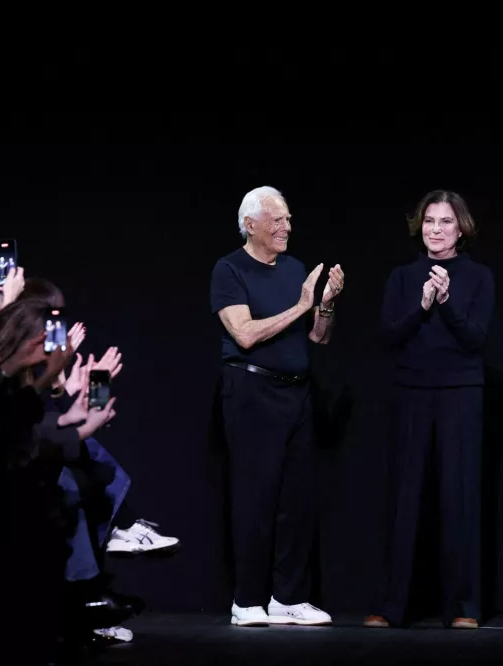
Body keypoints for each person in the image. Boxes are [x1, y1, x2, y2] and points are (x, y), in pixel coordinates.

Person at [210, 186, 344, 627]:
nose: (287, 226)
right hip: (252, 392)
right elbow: (244, 334)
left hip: (297, 393)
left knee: (297, 499)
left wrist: (324, 305)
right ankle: (247, 600)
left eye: (288, 219)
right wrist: (302, 304)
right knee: (255, 497)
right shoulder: (229, 269)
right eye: (277, 220)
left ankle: (288, 597)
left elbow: (318, 337)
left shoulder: (295, 269)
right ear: (250, 224)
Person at [365, 190, 494, 630]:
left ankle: (463, 606)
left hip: (461, 392)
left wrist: (446, 304)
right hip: (412, 392)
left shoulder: (479, 277)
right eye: (429, 221)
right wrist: (421, 307)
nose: (435, 229)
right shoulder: (403, 277)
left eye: (445, 222)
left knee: (460, 498)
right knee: (404, 499)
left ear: (461, 229)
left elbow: (476, 339)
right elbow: (388, 337)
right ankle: (391, 605)